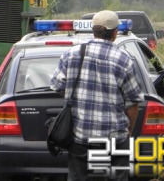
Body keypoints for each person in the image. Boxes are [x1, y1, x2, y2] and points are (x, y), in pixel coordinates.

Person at [50, 10, 144, 181]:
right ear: (115, 33)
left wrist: (75, 94)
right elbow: (133, 102)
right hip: (115, 141)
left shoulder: (72, 54)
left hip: (80, 139)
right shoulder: (124, 60)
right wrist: (128, 131)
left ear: (93, 30)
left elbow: (57, 85)